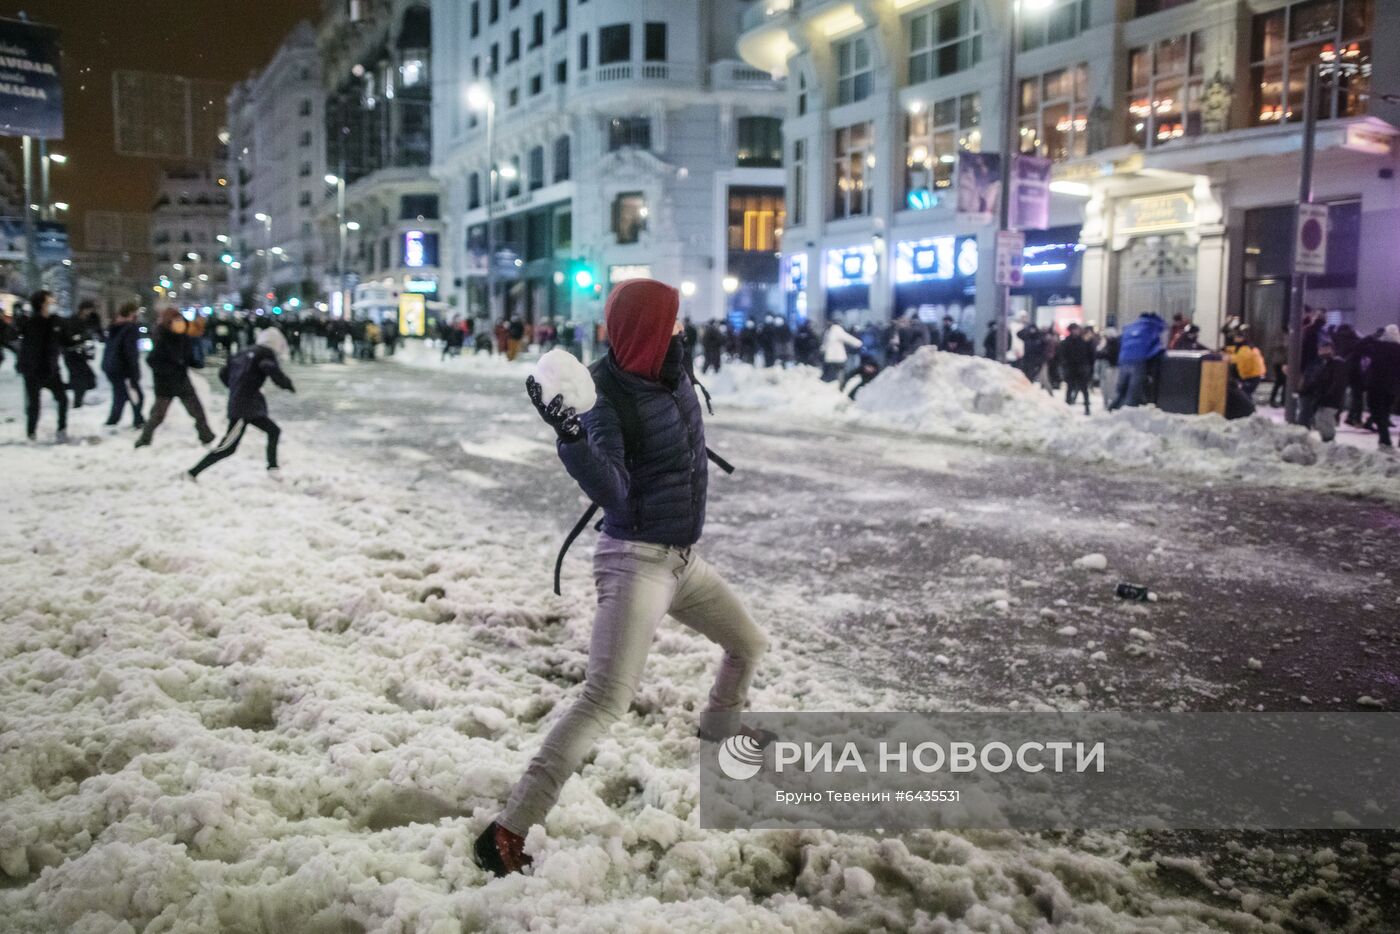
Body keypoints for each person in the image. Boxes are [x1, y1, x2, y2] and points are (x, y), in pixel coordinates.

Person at [477, 279, 768, 877]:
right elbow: (612, 489)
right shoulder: (603, 394)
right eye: (672, 321)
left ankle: (720, 742)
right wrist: (574, 438)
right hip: (635, 561)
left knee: (747, 644)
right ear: (646, 326)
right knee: (605, 699)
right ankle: (507, 830)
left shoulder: (673, 368)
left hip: (682, 559)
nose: (681, 329)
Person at [189, 328, 295, 479]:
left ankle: (273, 467)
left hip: (247, 404)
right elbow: (268, 367)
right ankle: (192, 472)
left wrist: (236, 387)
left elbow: (223, 373)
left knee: (274, 431)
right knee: (227, 447)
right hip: (243, 408)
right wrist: (286, 383)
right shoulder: (265, 353)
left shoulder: (243, 352)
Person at [135, 308, 216, 448]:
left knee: (197, 411)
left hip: (182, 380)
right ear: (169, 322)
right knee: (158, 415)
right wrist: (169, 368)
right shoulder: (162, 337)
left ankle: (206, 436)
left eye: (180, 319)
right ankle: (144, 439)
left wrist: (196, 362)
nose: (179, 323)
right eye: (176, 320)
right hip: (165, 383)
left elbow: (187, 357)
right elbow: (152, 361)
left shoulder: (183, 337)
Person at [17, 290, 69, 442]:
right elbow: (17, 337)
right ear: (42, 304)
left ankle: (62, 428)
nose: (53, 302)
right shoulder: (30, 322)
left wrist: (78, 341)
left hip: (51, 368)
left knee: (62, 399)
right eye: (50, 301)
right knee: (34, 404)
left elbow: (65, 340)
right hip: (33, 369)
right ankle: (31, 433)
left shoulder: (56, 322)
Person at [102, 302, 145, 429]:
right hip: (123, 368)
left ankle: (113, 421)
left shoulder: (115, 326)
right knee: (136, 395)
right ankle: (138, 421)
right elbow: (130, 351)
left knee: (121, 395)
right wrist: (134, 372)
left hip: (111, 366)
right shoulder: (130, 328)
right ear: (132, 313)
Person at [1108, 313, 1165, 410]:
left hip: (1123, 360)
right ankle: (1128, 413)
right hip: (1138, 360)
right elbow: (1156, 348)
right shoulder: (1153, 327)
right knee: (1133, 390)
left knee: (1121, 388)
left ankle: (1112, 409)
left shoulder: (1130, 327)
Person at [1298, 341, 1348, 442]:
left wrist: (1328, 395)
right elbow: (1316, 380)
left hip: (1330, 400)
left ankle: (1329, 442)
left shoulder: (1337, 364)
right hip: (1322, 398)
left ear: (1333, 350)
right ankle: (1327, 442)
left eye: (1326, 349)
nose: (1323, 352)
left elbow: (1337, 383)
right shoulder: (1321, 364)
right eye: (1322, 349)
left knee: (1325, 420)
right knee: (1320, 420)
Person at [1365, 324, 1400, 449]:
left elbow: (1358, 348)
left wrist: (1372, 337)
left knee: (1376, 411)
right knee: (1385, 413)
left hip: (1375, 385)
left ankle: (1385, 438)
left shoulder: (1378, 346)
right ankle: (1384, 439)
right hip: (1392, 388)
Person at [62, 301, 99, 408]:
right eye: (89, 309)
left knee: (88, 380)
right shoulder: (72, 321)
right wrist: (81, 338)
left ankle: (62, 388)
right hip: (72, 354)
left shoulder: (88, 320)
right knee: (80, 380)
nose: (91, 312)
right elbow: (70, 338)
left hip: (81, 355)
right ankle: (77, 403)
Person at [1059, 323, 1095, 415]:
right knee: (1070, 388)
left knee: (1084, 389)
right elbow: (1062, 355)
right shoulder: (1066, 342)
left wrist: (1089, 367)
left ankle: (1087, 408)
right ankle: (1066, 409)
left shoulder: (1084, 341)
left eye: (1077, 329)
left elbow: (1091, 354)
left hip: (1082, 368)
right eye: (1074, 330)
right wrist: (1065, 366)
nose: (1075, 331)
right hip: (1071, 368)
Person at [1227, 333, 1267, 400]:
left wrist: (1227, 358)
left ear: (1242, 338)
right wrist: (1226, 349)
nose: (1234, 339)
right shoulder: (1245, 346)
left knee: (1245, 394)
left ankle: (1248, 409)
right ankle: (1249, 408)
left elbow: (1240, 358)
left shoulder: (1245, 348)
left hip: (1252, 375)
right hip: (1254, 374)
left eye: (1237, 337)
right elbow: (1235, 350)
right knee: (1245, 394)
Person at [1267, 327, 1290, 407]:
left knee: (1281, 382)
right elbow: (1281, 346)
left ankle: (1278, 400)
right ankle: (1278, 400)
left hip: (1280, 362)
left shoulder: (1283, 336)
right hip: (1280, 362)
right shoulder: (1282, 336)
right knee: (1281, 382)